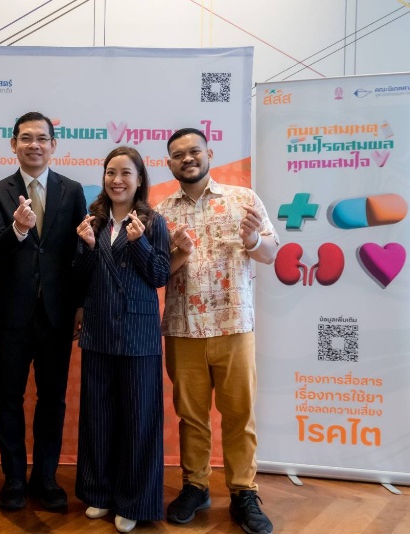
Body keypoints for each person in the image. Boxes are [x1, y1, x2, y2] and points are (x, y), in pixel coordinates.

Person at [156, 128, 278, 534]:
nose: (187, 159)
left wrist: (254, 240)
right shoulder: (160, 212)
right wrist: (176, 252)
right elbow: (154, 273)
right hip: (182, 328)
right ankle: (195, 486)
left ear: (209, 153)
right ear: (169, 164)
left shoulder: (243, 199)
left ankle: (243, 491)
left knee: (239, 415)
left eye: (194, 151)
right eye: (178, 155)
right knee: (190, 416)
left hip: (233, 326)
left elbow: (270, 254)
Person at [0, 112, 87, 511]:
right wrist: (18, 230)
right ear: (13, 144)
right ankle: (13, 479)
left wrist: (80, 304)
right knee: (9, 398)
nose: (34, 145)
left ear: (53, 145)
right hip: (10, 315)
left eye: (42, 138)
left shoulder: (71, 190)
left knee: (52, 399)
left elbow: (79, 253)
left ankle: (46, 477)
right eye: (26, 138)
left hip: (57, 315)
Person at [74, 146, 170, 533]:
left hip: (138, 335)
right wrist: (86, 248)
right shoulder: (92, 222)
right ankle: (98, 492)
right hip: (98, 331)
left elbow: (160, 274)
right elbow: (79, 276)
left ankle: (134, 501)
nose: (117, 180)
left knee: (138, 420)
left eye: (126, 173)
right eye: (111, 172)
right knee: (97, 416)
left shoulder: (153, 222)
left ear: (139, 179)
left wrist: (139, 243)